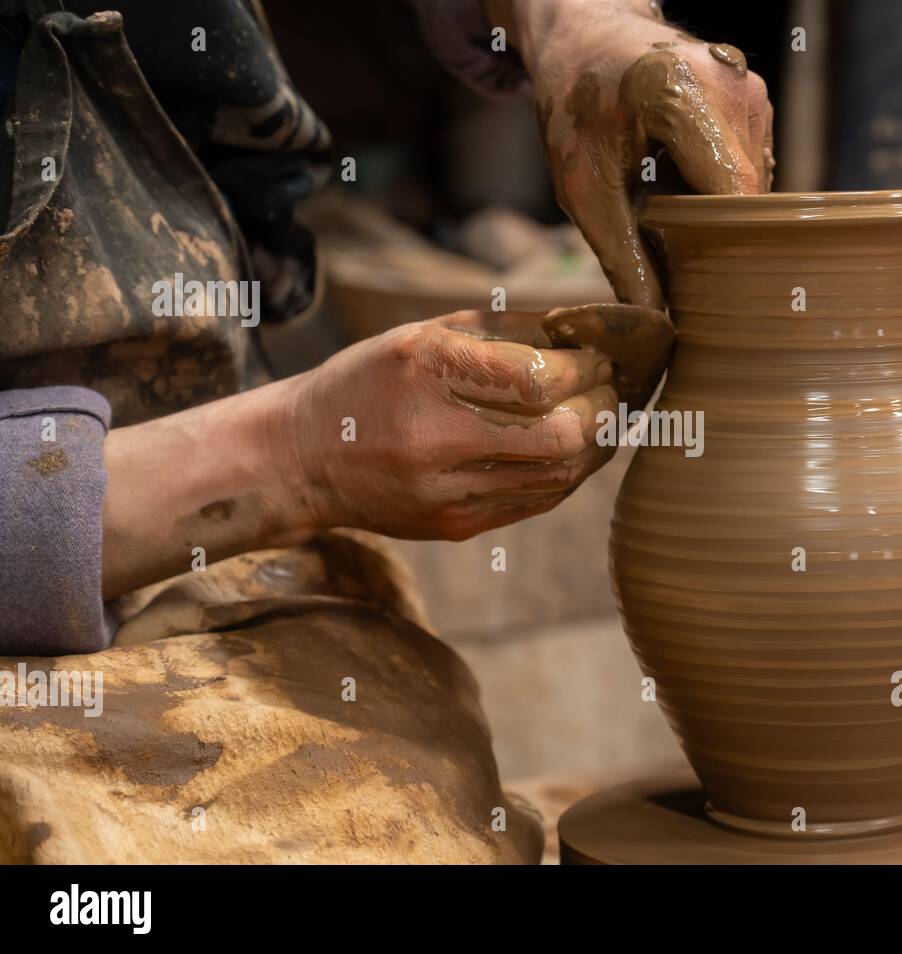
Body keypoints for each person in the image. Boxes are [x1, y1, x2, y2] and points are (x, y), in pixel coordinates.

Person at [0, 0, 772, 863]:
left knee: (424, 796)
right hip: (47, 564)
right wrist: (289, 457)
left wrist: (572, 21)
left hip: (194, 529)